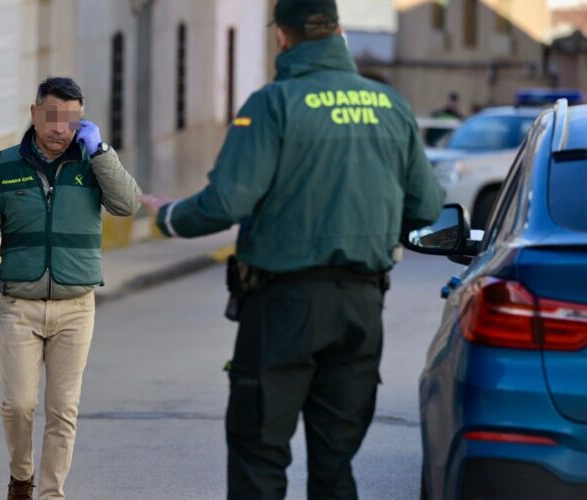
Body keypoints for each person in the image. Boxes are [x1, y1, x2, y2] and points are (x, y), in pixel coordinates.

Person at [140, 1, 444, 498]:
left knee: (260, 452)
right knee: (335, 462)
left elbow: (227, 201)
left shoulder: (273, 103)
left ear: (283, 36)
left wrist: (168, 217)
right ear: (339, 31)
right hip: (361, 309)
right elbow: (427, 206)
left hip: (283, 308)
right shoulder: (390, 105)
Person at [0, 77, 140, 500]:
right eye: (53, 116)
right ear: (35, 113)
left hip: (76, 305)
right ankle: (21, 477)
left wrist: (101, 152)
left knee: (63, 410)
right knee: (19, 405)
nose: (60, 128)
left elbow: (127, 204)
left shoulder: (92, 161)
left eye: (71, 119)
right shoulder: (5, 165)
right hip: (20, 304)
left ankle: (51, 494)